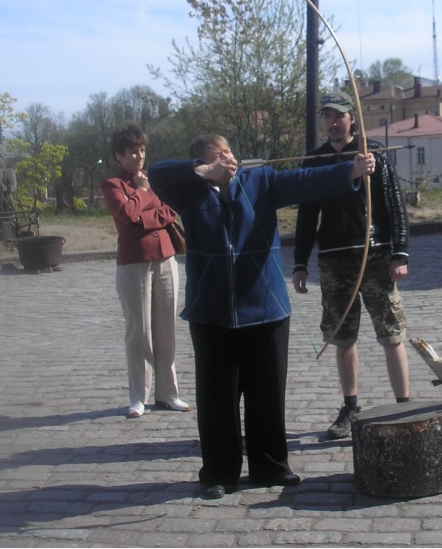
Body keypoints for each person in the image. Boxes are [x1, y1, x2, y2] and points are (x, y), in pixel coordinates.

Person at [148, 134, 376, 500]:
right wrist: (203, 172)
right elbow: (156, 174)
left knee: (267, 392)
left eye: (229, 152)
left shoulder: (260, 180)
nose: (227, 159)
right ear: (202, 165)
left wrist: (351, 169)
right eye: (216, 156)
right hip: (211, 313)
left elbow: (305, 182)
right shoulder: (189, 191)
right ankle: (218, 473)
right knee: (217, 397)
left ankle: (271, 465)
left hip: (267, 308)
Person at [292, 91, 411, 440]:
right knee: (343, 338)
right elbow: (307, 214)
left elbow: (394, 205)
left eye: (338, 116)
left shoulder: (374, 154)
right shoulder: (314, 160)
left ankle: (403, 407)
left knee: (392, 334)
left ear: (352, 118)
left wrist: (399, 253)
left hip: (373, 258)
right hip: (333, 260)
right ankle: (350, 407)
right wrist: (299, 262)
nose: (331, 123)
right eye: (326, 117)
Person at [101, 121, 191, 419]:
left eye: (141, 151)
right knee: (139, 332)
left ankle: (168, 393)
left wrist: (144, 216)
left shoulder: (155, 179)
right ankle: (138, 395)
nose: (139, 157)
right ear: (118, 155)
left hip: (165, 257)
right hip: (134, 262)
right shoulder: (114, 185)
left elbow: (169, 211)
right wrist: (141, 193)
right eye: (132, 152)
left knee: (166, 328)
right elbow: (126, 214)